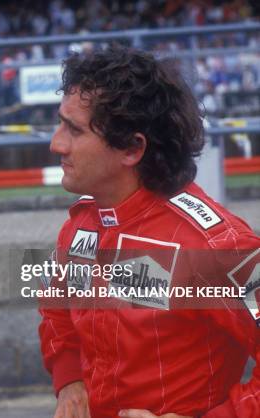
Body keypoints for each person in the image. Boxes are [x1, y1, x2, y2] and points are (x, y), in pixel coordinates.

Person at [39, 46, 260, 418]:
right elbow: (57, 309)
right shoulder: (82, 227)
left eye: (73, 129)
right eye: (60, 123)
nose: (56, 143)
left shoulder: (220, 248)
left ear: (132, 148)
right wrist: (70, 381)